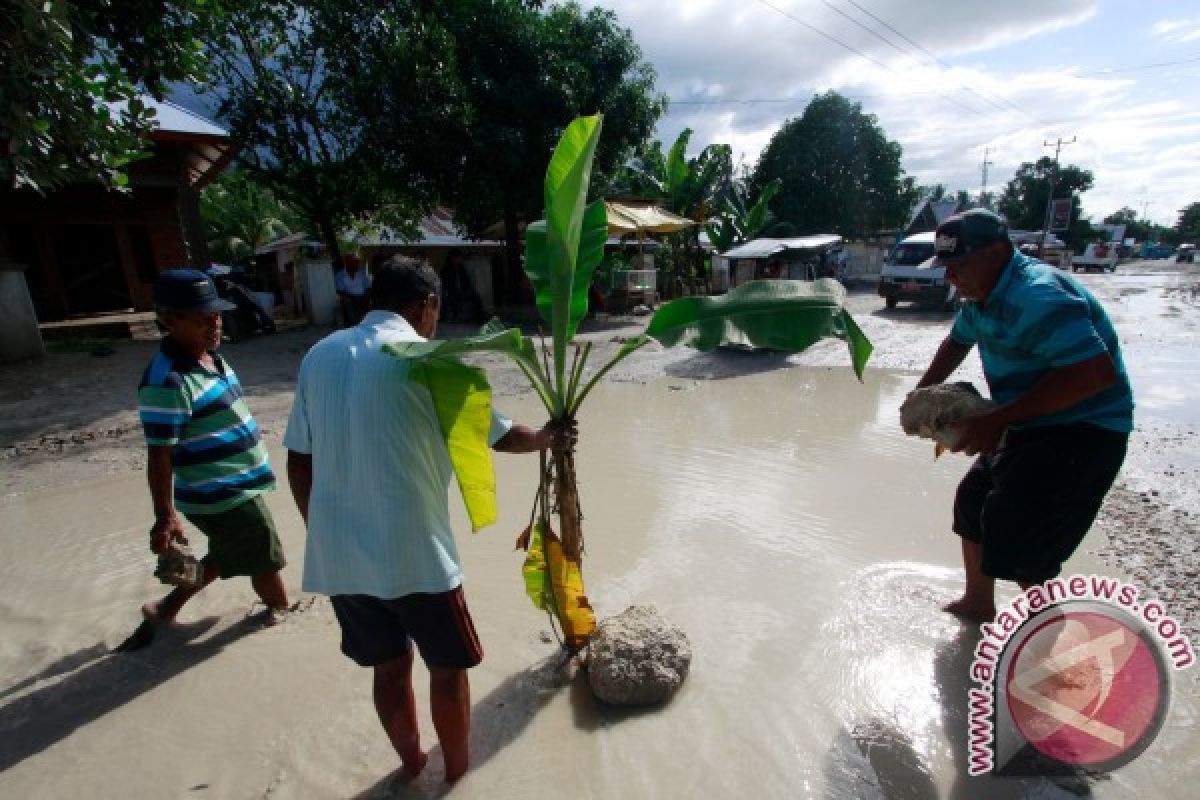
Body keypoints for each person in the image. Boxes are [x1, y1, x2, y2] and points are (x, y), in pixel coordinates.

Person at [283, 255, 573, 783]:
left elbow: (299, 460)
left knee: (388, 668)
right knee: (449, 667)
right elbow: (501, 434)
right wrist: (550, 438)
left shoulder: (318, 356)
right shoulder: (429, 359)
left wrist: (320, 532)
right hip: (416, 554)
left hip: (341, 559)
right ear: (427, 306)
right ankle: (458, 778)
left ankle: (412, 766)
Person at [914, 209, 1133, 622]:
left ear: (996, 252)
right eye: (945, 267)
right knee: (973, 502)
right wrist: (922, 394)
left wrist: (996, 419)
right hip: (1026, 422)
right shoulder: (981, 298)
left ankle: (1050, 630)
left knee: (1018, 528)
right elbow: (956, 343)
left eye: (958, 265)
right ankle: (979, 602)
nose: (949, 278)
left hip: (1084, 429)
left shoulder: (1038, 296)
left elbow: (1095, 375)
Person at [133, 269, 289, 642]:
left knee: (230, 551)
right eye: (202, 319)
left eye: (216, 315)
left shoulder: (211, 359)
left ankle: (165, 610)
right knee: (265, 557)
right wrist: (164, 515)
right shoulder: (167, 381)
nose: (214, 324)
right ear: (170, 320)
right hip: (221, 493)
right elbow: (159, 454)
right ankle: (283, 614)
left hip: (234, 486)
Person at [335, 253, 371, 325]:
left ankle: (366, 322)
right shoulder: (340, 275)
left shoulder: (361, 273)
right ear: (347, 264)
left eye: (357, 263)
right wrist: (353, 297)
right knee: (347, 302)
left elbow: (368, 287)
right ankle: (353, 324)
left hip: (363, 298)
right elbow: (340, 291)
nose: (357, 265)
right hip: (350, 298)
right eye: (354, 263)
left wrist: (367, 295)